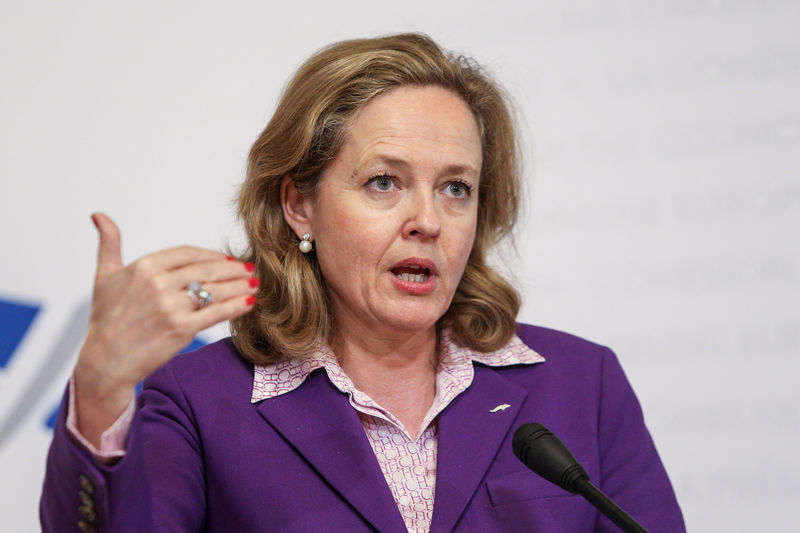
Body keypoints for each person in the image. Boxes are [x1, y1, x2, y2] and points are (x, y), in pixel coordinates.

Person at [40, 33, 685, 532]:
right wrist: (99, 387)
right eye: (385, 182)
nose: (428, 221)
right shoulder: (198, 402)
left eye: (456, 188)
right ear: (299, 205)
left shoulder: (580, 385)